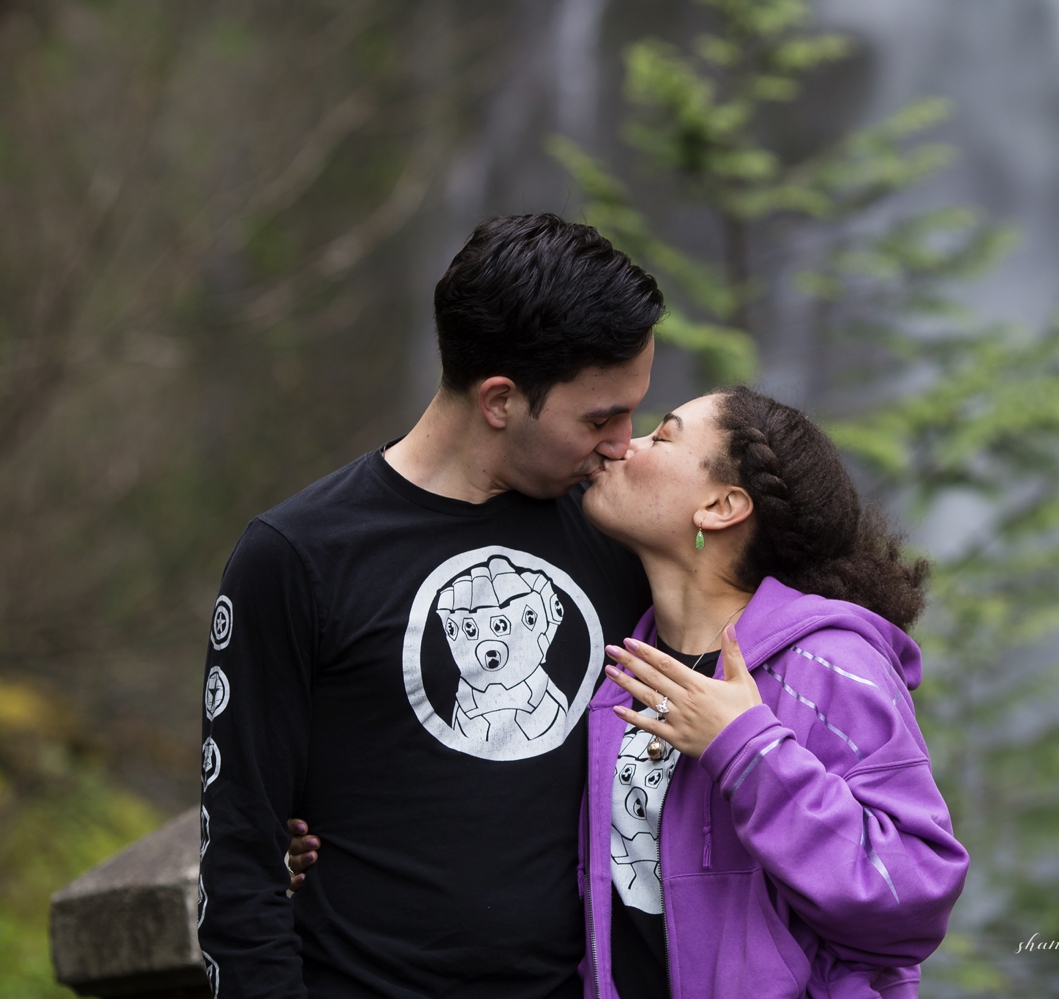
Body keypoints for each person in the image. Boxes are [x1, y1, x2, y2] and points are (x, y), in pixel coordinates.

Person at [293, 387, 970, 997]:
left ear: (722, 506)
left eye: (662, 435)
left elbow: (914, 891)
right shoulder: (615, 666)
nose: (624, 445)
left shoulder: (829, 662)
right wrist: (320, 838)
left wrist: (749, 750)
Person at [197, 213, 661, 999]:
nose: (623, 443)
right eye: (599, 418)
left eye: (632, 411)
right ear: (500, 399)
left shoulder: (621, 539)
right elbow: (239, 858)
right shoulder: (298, 556)